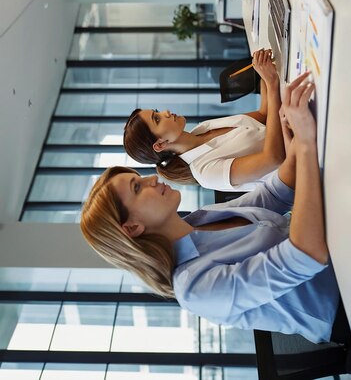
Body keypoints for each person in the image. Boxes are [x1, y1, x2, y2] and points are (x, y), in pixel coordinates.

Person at [80, 73, 346, 344]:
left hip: (338, 244)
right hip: (343, 299)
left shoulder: (199, 219)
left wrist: (289, 125)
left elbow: (274, 194)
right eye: (138, 187)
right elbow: (306, 254)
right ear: (133, 227)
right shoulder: (195, 288)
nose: (152, 178)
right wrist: (303, 143)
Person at [123, 49, 285, 191]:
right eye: (157, 119)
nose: (166, 112)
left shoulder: (203, 128)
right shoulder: (205, 172)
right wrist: (271, 84)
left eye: (157, 112)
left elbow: (263, 115)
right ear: (160, 144)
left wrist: (263, 68)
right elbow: (274, 158)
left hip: (297, 125)